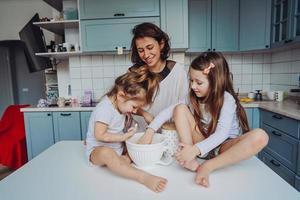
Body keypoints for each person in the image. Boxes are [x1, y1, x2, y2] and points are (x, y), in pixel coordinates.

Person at [145, 52, 269, 187]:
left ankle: (209, 165)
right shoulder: (191, 97)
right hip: (201, 141)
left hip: (223, 147)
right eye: (191, 81)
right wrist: (150, 130)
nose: (193, 86)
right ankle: (190, 159)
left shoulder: (227, 99)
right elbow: (168, 111)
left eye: (198, 82)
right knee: (179, 108)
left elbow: (222, 133)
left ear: (216, 82)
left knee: (261, 136)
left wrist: (196, 149)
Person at [85, 66, 167, 192]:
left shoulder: (121, 103)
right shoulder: (105, 109)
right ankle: (142, 177)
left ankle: (123, 161)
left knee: (135, 141)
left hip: (118, 149)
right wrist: (122, 137)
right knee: (107, 153)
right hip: (97, 152)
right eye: (134, 107)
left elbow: (135, 107)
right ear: (121, 96)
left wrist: (145, 114)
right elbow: (99, 135)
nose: (135, 111)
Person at [129, 22, 189, 140]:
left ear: (161, 44)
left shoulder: (178, 71)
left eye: (150, 48)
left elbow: (184, 106)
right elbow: (126, 105)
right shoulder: (134, 73)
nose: (146, 54)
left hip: (170, 135)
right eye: (141, 50)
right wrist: (144, 114)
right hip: (140, 134)